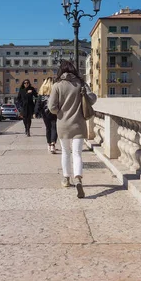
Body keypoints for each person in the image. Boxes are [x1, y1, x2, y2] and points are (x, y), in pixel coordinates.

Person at [49, 60, 97, 199]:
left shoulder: (57, 85)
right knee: (77, 153)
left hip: (63, 124)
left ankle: (66, 178)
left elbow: (52, 107)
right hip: (79, 123)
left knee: (65, 152)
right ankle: (78, 178)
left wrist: (60, 112)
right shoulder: (81, 84)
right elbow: (92, 99)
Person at [35, 77, 58, 154]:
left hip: (45, 113)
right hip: (54, 112)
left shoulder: (41, 94)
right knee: (54, 128)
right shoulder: (55, 92)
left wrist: (36, 112)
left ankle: (49, 144)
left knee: (48, 128)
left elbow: (38, 104)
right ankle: (53, 144)